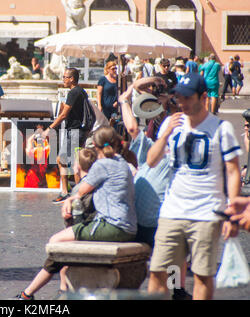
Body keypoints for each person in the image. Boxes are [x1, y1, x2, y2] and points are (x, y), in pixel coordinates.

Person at [146, 73, 241, 300]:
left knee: (201, 276)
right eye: (179, 98)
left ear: (203, 97)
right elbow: (151, 161)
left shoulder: (221, 128)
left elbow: (233, 170)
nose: (183, 103)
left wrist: (233, 213)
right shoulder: (172, 123)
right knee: (159, 271)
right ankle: (173, 293)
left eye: (188, 98)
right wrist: (166, 134)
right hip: (172, 211)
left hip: (206, 213)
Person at [16, 127, 137, 300]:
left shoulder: (103, 165)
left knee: (56, 241)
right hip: (128, 225)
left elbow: (81, 191)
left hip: (113, 225)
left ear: (95, 145)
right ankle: (58, 290)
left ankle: (54, 291)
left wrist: (68, 200)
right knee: (66, 241)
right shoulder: (120, 161)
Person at [119, 76, 192, 299]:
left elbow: (132, 128)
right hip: (152, 222)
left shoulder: (167, 153)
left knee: (177, 247)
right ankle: (176, 290)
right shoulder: (150, 148)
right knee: (178, 248)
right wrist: (125, 98)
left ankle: (175, 290)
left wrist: (126, 98)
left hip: (144, 221)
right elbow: (132, 128)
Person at [42, 68, 89, 203]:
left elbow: (63, 115)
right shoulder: (81, 92)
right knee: (72, 162)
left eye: (65, 77)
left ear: (72, 79)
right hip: (77, 131)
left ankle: (69, 193)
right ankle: (74, 192)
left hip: (74, 131)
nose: (63, 79)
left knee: (64, 161)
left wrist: (49, 128)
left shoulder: (74, 92)